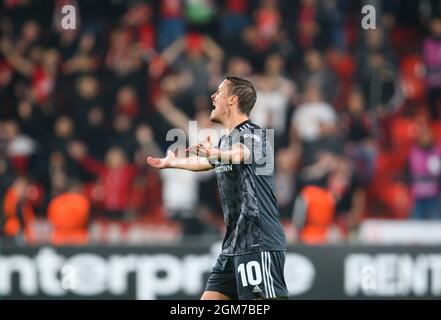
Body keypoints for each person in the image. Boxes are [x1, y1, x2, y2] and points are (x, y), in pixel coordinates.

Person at [147, 76, 288, 300]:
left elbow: (241, 154)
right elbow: (209, 163)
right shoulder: (225, 140)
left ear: (232, 100)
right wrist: (174, 163)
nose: (213, 97)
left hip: (258, 241)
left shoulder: (253, 133)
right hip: (234, 243)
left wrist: (216, 153)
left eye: (219, 93)